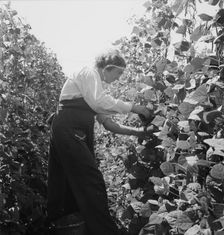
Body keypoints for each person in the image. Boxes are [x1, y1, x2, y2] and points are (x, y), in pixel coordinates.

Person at [47, 49, 151, 235]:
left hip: (72, 130)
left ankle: (74, 226)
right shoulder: (89, 74)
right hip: (69, 128)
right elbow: (99, 102)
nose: (118, 78)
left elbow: (108, 123)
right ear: (108, 68)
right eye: (118, 73)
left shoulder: (92, 89)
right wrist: (135, 108)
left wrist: (137, 132)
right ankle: (104, 230)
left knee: (71, 181)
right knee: (91, 181)